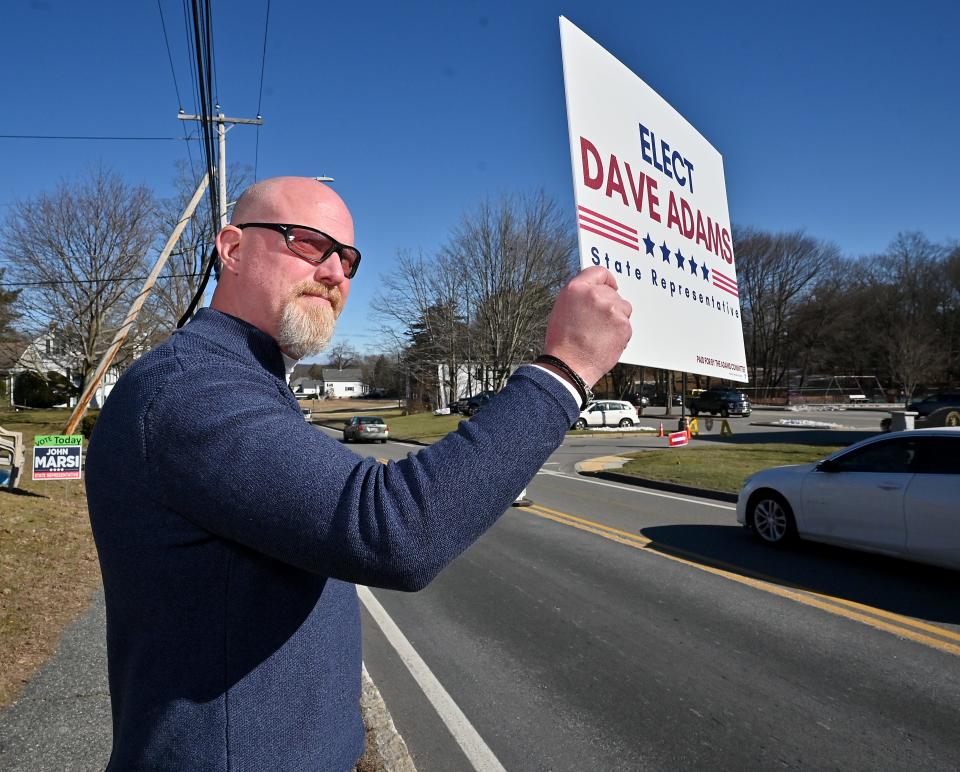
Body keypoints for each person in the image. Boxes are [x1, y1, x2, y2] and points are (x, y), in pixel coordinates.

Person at [85, 176, 631, 771]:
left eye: (347, 258)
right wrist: (567, 368)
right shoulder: (191, 387)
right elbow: (393, 530)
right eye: (307, 244)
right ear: (233, 249)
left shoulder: (247, 380)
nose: (335, 272)